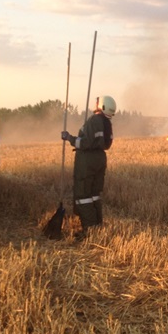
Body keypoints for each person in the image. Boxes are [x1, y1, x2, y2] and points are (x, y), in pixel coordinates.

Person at [61, 95, 116, 241]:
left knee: (83, 196)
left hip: (87, 161)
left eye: (97, 102)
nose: (95, 103)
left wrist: (69, 138)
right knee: (94, 195)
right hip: (100, 159)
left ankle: (89, 231)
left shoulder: (94, 121)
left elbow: (85, 143)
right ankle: (97, 227)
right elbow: (104, 144)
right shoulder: (107, 123)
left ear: (102, 106)